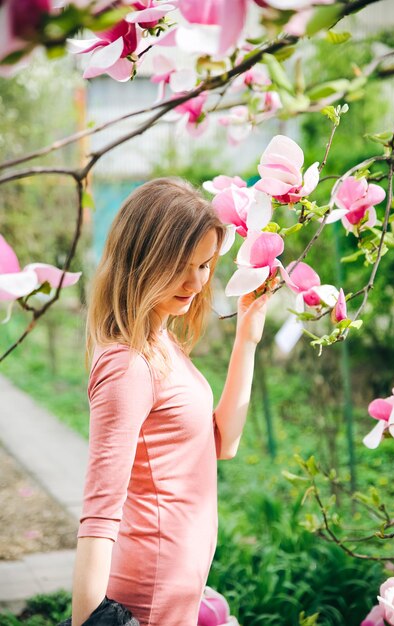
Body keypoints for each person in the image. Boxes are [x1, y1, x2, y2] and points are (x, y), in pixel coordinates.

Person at [71, 178, 273, 626]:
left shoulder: (160, 338)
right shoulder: (127, 364)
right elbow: (99, 513)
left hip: (178, 583)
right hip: (150, 594)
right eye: (181, 266)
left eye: (205, 265)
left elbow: (222, 444)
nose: (196, 281)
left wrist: (248, 337)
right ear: (143, 261)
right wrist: (88, 622)